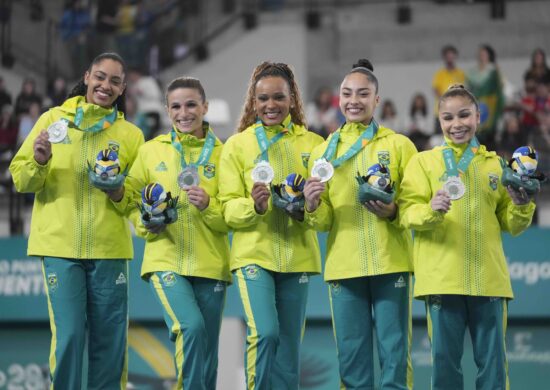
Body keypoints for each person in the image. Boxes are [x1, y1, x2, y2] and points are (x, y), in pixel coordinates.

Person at [9, 52, 144, 389]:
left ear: (123, 87)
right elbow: (21, 179)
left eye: (114, 80)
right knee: (69, 337)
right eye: (100, 76)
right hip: (60, 247)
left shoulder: (130, 136)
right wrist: (39, 161)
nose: (105, 85)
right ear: (86, 77)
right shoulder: (52, 120)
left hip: (110, 250)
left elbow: (138, 201)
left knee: (110, 344)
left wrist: (116, 192)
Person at [398, 84, 536, 390]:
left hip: (488, 281)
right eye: (447, 117)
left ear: (478, 117)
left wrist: (522, 205)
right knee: (445, 365)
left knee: (493, 367)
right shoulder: (423, 163)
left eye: (464, 115)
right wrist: (430, 209)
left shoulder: (495, 165)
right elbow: (406, 214)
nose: (456, 124)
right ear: (439, 120)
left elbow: (511, 224)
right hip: (442, 281)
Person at [303, 59, 416, 389]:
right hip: (344, 266)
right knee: (352, 360)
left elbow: (413, 204)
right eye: (347, 93)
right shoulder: (324, 151)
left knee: (394, 355)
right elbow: (323, 221)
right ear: (338, 98)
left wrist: (394, 211)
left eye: (363, 94)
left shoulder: (398, 145)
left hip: (390, 263)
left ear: (376, 100)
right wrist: (311, 204)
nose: (354, 100)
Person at [116, 77, 231, 389]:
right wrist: (144, 222)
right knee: (191, 327)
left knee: (207, 351)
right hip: (165, 257)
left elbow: (230, 217)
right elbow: (128, 197)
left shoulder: (225, 154)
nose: (184, 112)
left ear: (205, 107)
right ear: (167, 110)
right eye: (176, 106)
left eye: (191, 104)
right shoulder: (151, 151)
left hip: (212, 263)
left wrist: (209, 205)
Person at [218, 61, 323, 389]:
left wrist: (309, 206)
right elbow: (227, 210)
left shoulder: (314, 145)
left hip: (299, 257)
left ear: (292, 100)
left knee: (289, 347)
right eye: (263, 99)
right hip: (254, 255)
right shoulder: (237, 145)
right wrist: (256, 206)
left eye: (278, 97)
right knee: (266, 333)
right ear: (253, 101)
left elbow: (323, 212)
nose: (271, 105)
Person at [466, 44, 504, 151]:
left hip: (490, 109)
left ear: (489, 56)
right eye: (480, 54)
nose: (481, 56)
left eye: (484, 54)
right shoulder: (472, 73)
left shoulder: (493, 71)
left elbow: (498, 91)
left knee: (490, 138)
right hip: (477, 107)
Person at [432, 45, 466, 134]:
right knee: (439, 139)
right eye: (448, 56)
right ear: (444, 58)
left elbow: (464, 91)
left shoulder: (461, 73)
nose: (450, 58)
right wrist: (447, 102)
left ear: (455, 57)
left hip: (457, 112)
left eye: (452, 56)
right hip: (441, 112)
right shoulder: (439, 74)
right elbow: (436, 91)